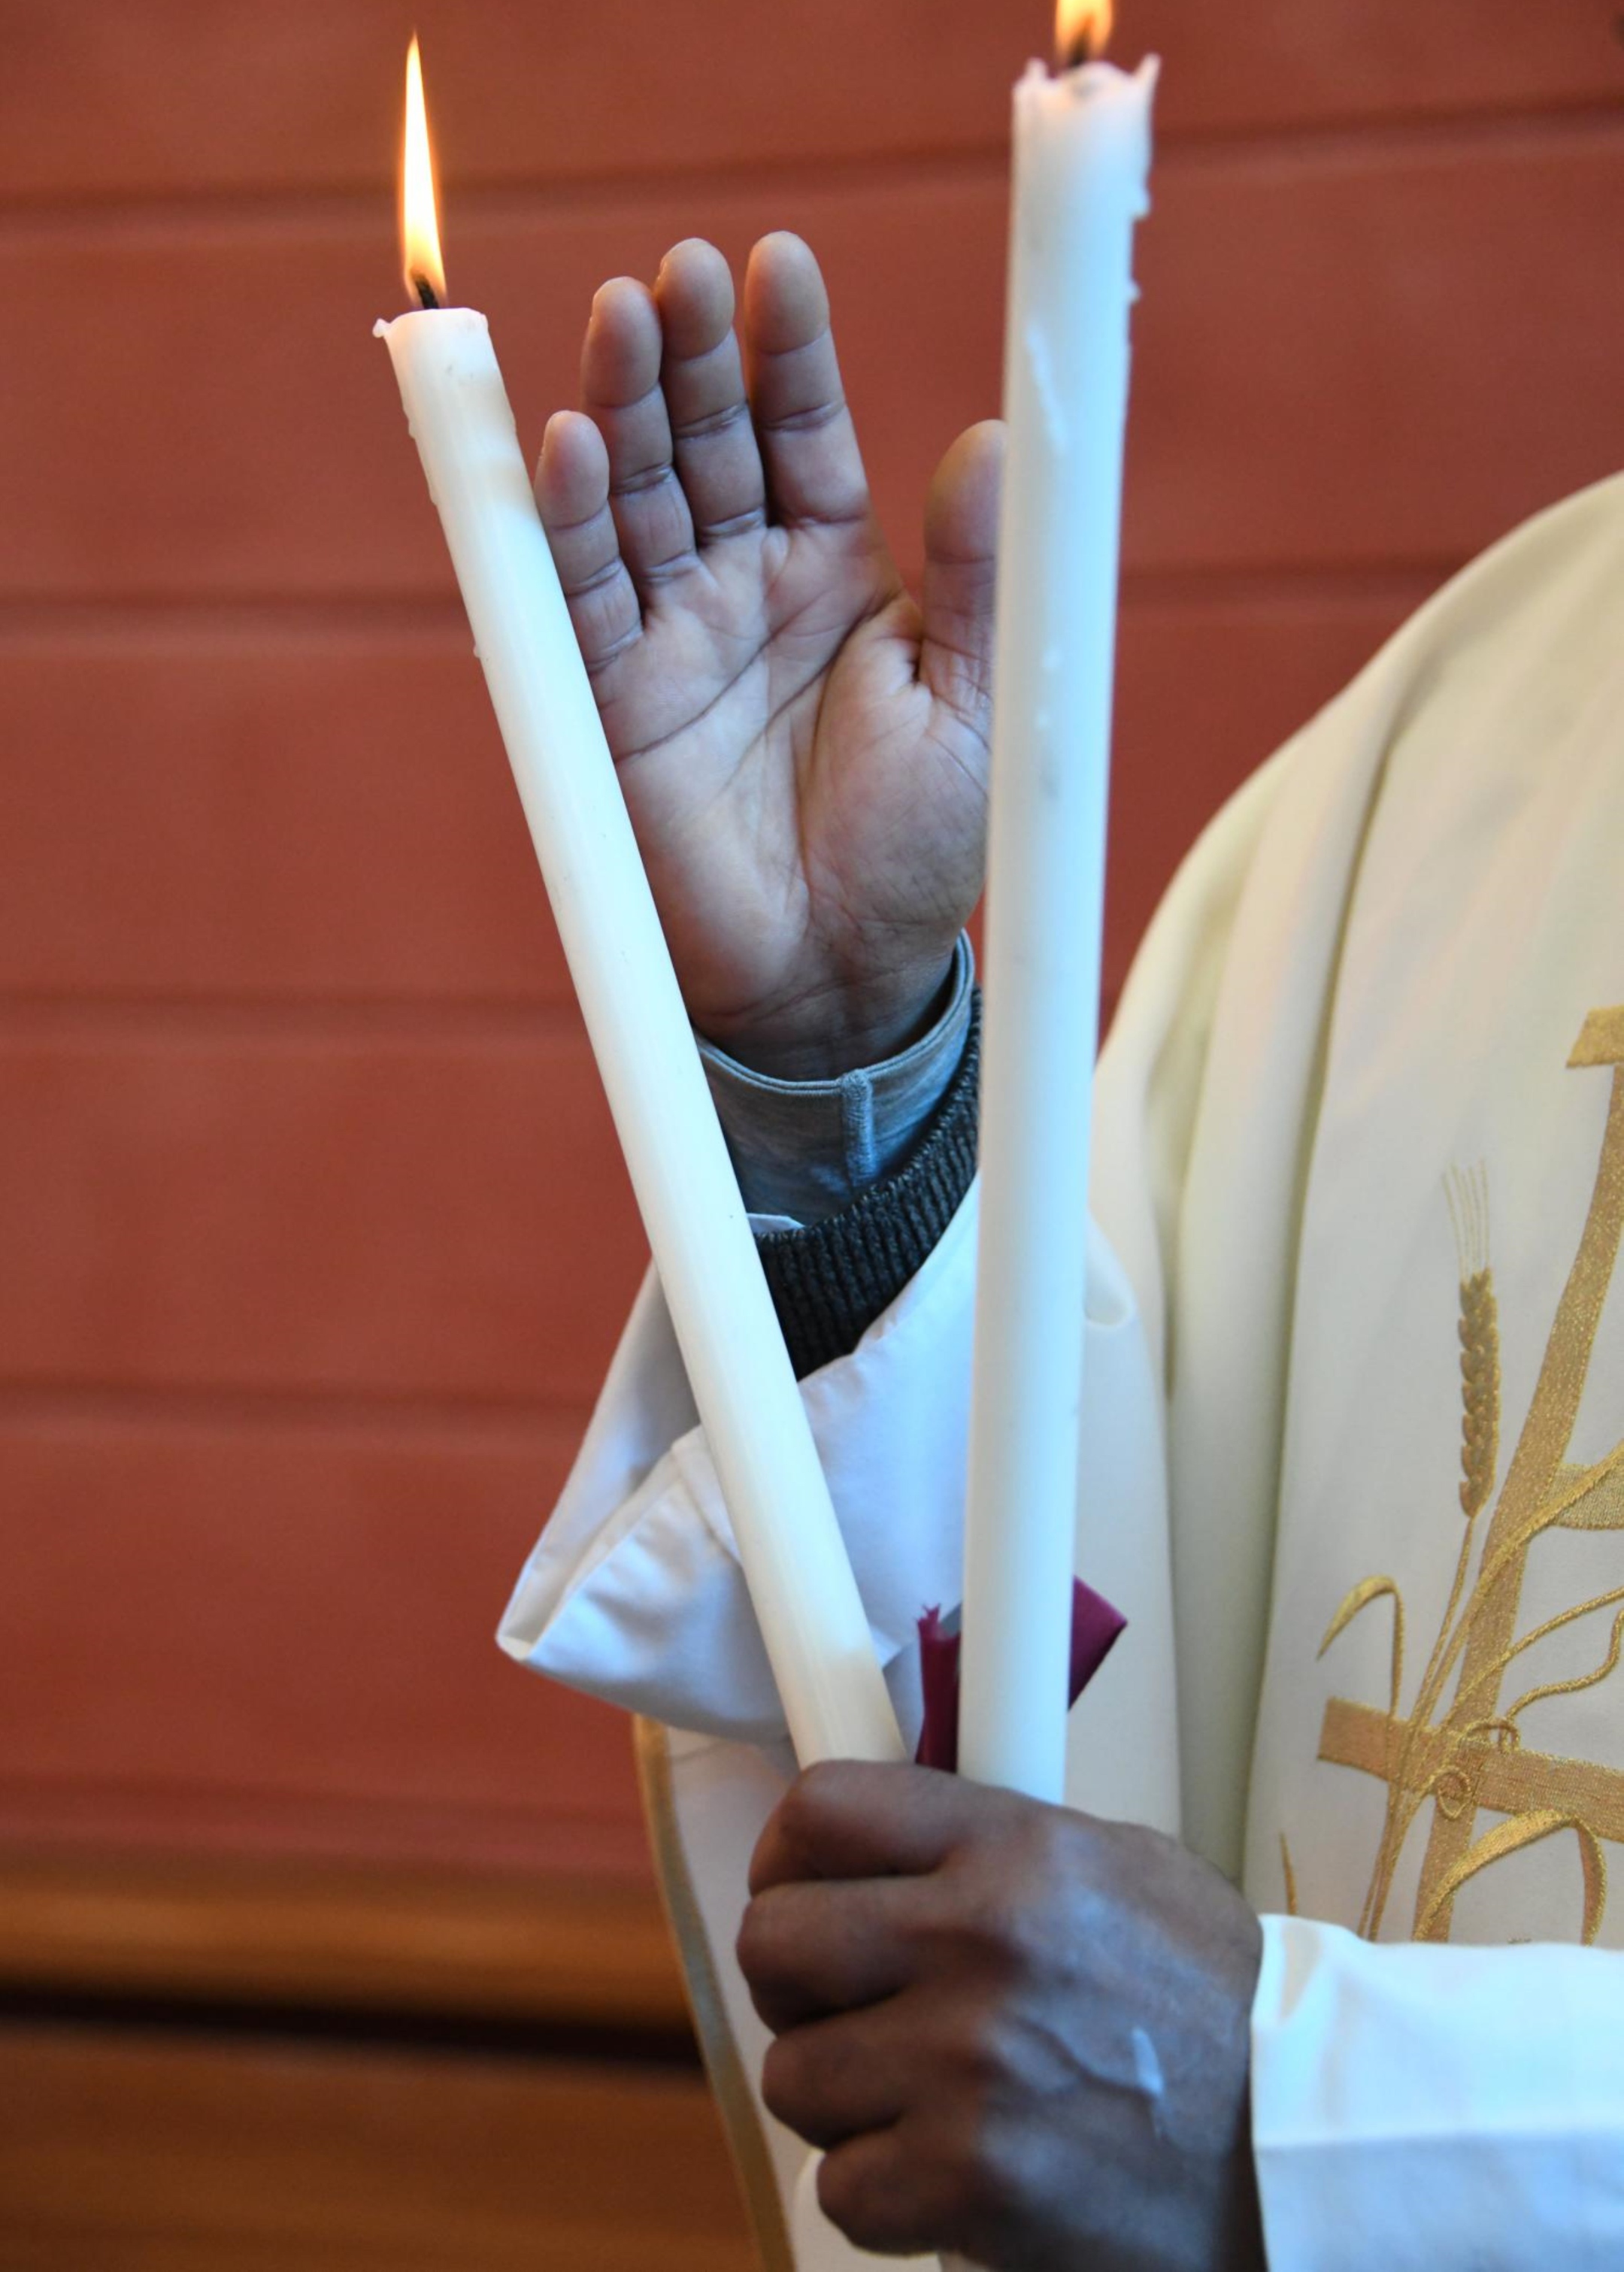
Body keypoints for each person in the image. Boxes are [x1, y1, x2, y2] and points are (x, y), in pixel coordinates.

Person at [498, 229, 1624, 2268]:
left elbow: (1226, 2077)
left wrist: (1318, 2129)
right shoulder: (1486, 730)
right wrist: (855, 1086)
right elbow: (1094, 1606)